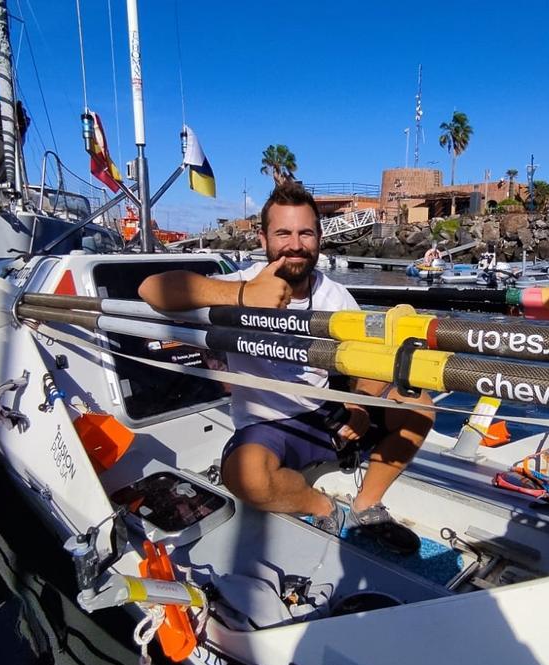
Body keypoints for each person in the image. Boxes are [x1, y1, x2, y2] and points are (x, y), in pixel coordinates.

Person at [138, 181, 434, 555]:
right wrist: (243, 296)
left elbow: (368, 356)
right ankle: (323, 508)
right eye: (283, 233)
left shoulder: (334, 294)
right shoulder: (240, 283)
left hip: (329, 411)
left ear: (319, 238)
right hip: (269, 424)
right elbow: (152, 289)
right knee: (244, 475)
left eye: (305, 232)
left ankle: (366, 505)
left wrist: (358, 403)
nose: (295, 244)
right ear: (263, 240)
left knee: (419, 405)